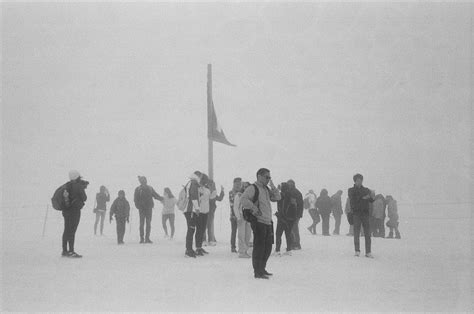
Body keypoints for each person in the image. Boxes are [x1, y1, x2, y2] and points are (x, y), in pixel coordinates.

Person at [241, 168, 281, 279]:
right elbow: (243, 199)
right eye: (266, 177)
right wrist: (253, 208)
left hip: (268, 221)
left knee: (267, 247)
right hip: (259, 222)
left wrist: (273, 187)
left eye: (269, 177)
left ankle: (262, 268)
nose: (268, 179)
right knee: (259, 247)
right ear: (259, 176)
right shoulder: (253, 188)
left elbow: (278, 197)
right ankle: (257, 271)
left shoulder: (266, 189)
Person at [62, 170, 88, 258]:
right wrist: (82, 188)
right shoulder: (78, 186)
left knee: (66, 230)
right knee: (72, 231)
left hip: (66, 211)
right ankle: (71, 251)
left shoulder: (67, 185)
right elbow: (84, 198)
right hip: (75, 211)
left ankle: (64, 250)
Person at [348, 173, 375, 258]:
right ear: (355, 181)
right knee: (356, 232)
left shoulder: (366, 190)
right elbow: (352, 199)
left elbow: (371, 200)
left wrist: (371, 196)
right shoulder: (351, 190)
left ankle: (368, 251)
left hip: (365, 214)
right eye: (358, 181)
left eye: (361, 180)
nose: (359, 182)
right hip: (356, 214)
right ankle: (357, 250)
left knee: (367, 233)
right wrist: (364, 197)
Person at [134, 176, 162, 244]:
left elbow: (155, 195)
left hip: (148, 208)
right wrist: (138, 206)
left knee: (148, 223)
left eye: (144, 180)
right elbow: (135, 199)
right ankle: (142, 238)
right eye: (142, 180)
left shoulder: (149, 188)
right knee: (142, 223)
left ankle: (146, 238)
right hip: (143, 209)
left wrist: (161, 198)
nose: (143, 182)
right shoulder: (138, 189)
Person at [274, 182, 298, 256]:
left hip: (282, 218)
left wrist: (279, 214)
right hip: (291, 218)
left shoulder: (282, 195)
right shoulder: (292, 195)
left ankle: (277, 250)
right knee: (288, 234)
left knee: (278, 234)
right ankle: (289, 249)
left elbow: (282, 207)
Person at [183, 172, 201, 258]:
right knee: (191, 229)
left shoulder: (190, 183)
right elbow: (193, 196)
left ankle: (189, 248)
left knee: (191, 229)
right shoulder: (193, 183)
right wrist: (197, 208)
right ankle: (188, 250)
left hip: (189, 209)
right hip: (191, 209)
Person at [235, 182, 252, 258]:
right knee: (241, 235)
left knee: (248, 234)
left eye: (247, 186)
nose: (245, 188)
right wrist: (238, 217)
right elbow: (235, 207)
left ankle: (245, 250)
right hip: (241, 216)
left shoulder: (251, 196)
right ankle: (241, 251)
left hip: (249, 216)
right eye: (244, 186)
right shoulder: (238, 195)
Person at [196, 174, 211, 256]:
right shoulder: (198, 189)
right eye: (203, 180)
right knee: (199, 230)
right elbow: (198, 199)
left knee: (202, 230)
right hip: (200, 211)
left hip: (206, 211)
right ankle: (197, 247)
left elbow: (211, 197)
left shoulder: (206, 189)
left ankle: (200, 246)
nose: (204, 181)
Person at [205, 180, 224, 246]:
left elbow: (220, 199)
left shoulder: (213, 193)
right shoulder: (206, 192)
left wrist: (222, 191)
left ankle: (211, 239)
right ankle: (206, 239)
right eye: (211, 185)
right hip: (206, 210)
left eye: (213, 185)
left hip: (211, 211)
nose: (212, 186)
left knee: (209, 225)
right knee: (206, 225)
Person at [287, 180, 303, 250]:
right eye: (288, 184)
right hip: (290, 214)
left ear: (293, 184)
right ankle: (292, 244)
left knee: (294, 229)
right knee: (291, 229)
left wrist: (299, 214)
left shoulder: (296, 192)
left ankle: (297, 244)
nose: (289, 185)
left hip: (295, 214)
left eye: (290, 184)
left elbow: (300, 204)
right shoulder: (289, 192)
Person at [229, 177, 242, 253]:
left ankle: (241, 246)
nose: (238, 186)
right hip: (233, 216)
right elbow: (232, 204)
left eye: (240, 184)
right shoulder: (231, 192)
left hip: (241, 215)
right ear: (234, 184)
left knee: (241, 232)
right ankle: (233, 247)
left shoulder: (241, 192)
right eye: (237, 184)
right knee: (234, 232)